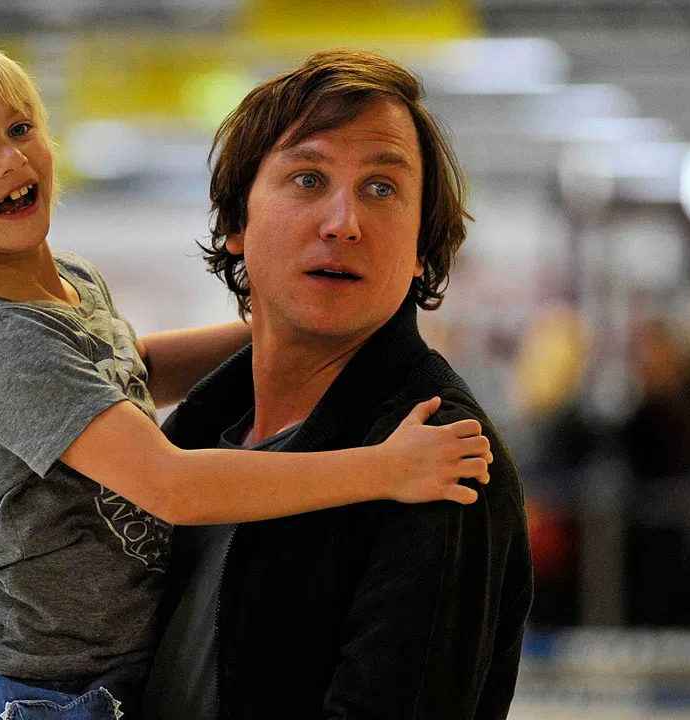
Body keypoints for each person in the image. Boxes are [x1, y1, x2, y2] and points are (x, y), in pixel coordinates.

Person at [0, 22, 494, 720]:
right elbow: (171, 486)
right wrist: (385, 469)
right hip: (19, 691)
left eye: (20, 128)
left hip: (82, 681)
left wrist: (288, 321)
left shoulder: (67, 284)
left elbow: (131, 371)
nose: (10, 160)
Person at [144, 50, 534, 719]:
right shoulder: (195, 432)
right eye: (308, 179)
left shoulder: (439, 457)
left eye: (381, 189)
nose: (343, 222)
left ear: (421, 248)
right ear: (237, 223)